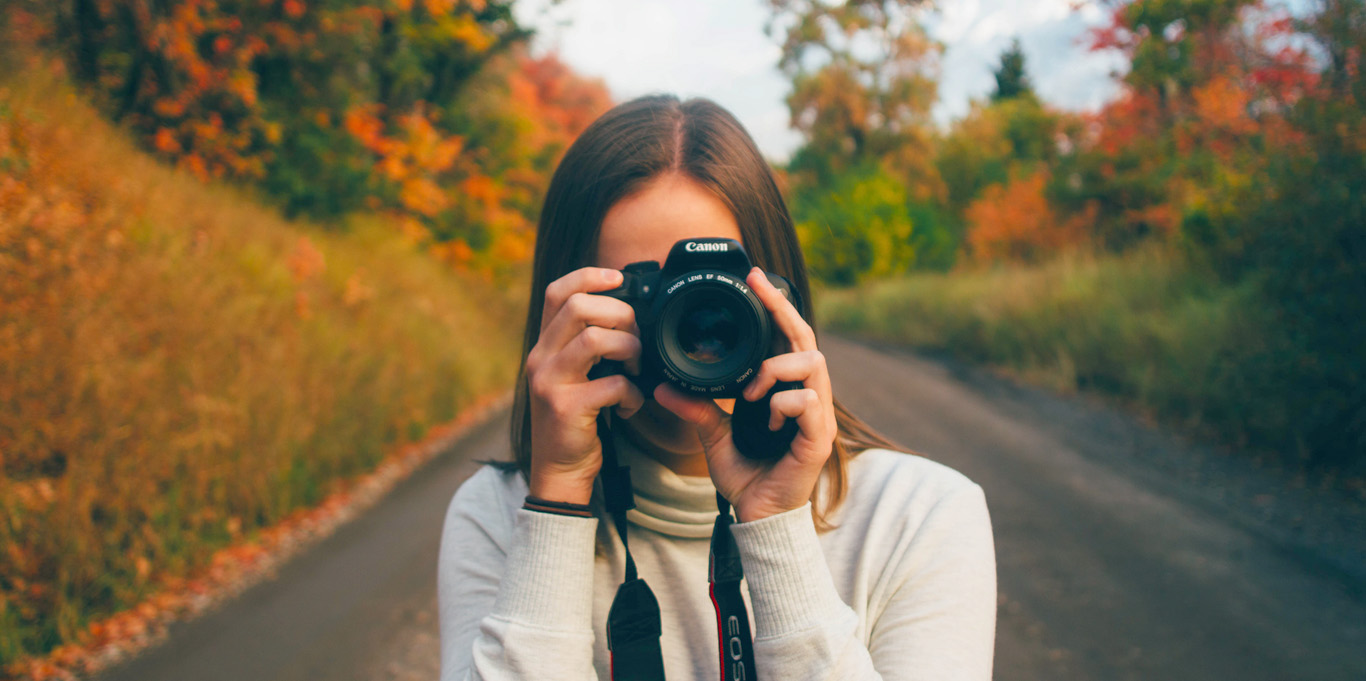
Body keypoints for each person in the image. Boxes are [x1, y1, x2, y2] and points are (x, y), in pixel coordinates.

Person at [437, 95, 996, 680]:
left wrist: (776, 526)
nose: (687, 332)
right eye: (645, 295)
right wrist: (556, 499)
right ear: (564, 309)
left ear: (782, 297)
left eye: (717, 296)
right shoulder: (501, 515)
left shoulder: (919, 516)